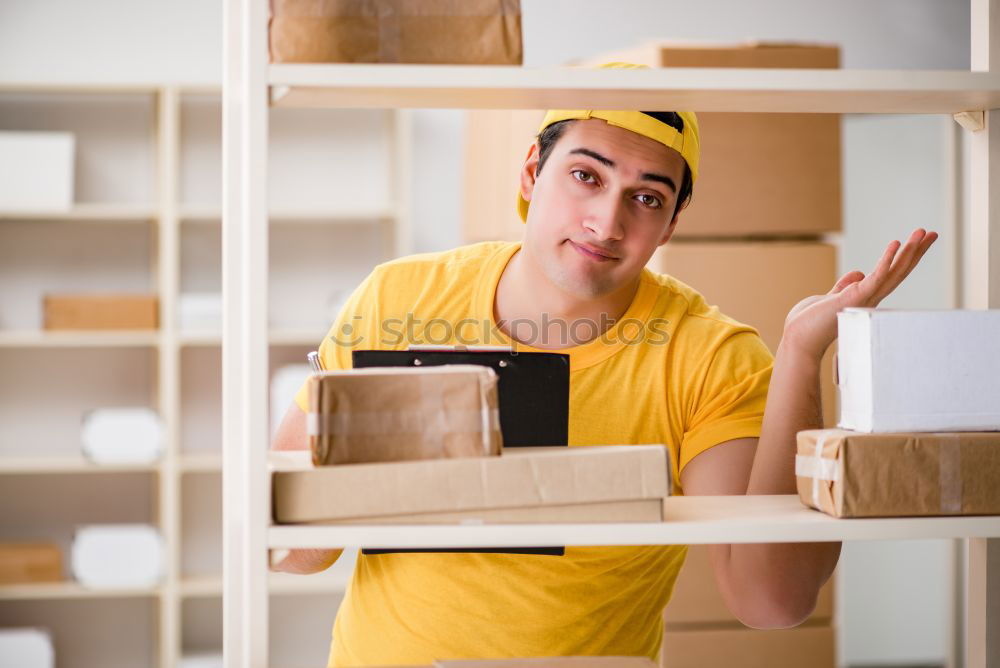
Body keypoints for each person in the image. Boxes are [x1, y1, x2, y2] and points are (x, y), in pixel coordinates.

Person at [270, 63, 938, 667]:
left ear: (671, 224)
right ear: (532, 172)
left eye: (647, 198)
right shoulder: (399, 299)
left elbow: (770, 601)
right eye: (586, 176)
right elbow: (295, 551)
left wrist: (800, 353)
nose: (606, 221)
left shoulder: (711, 357)